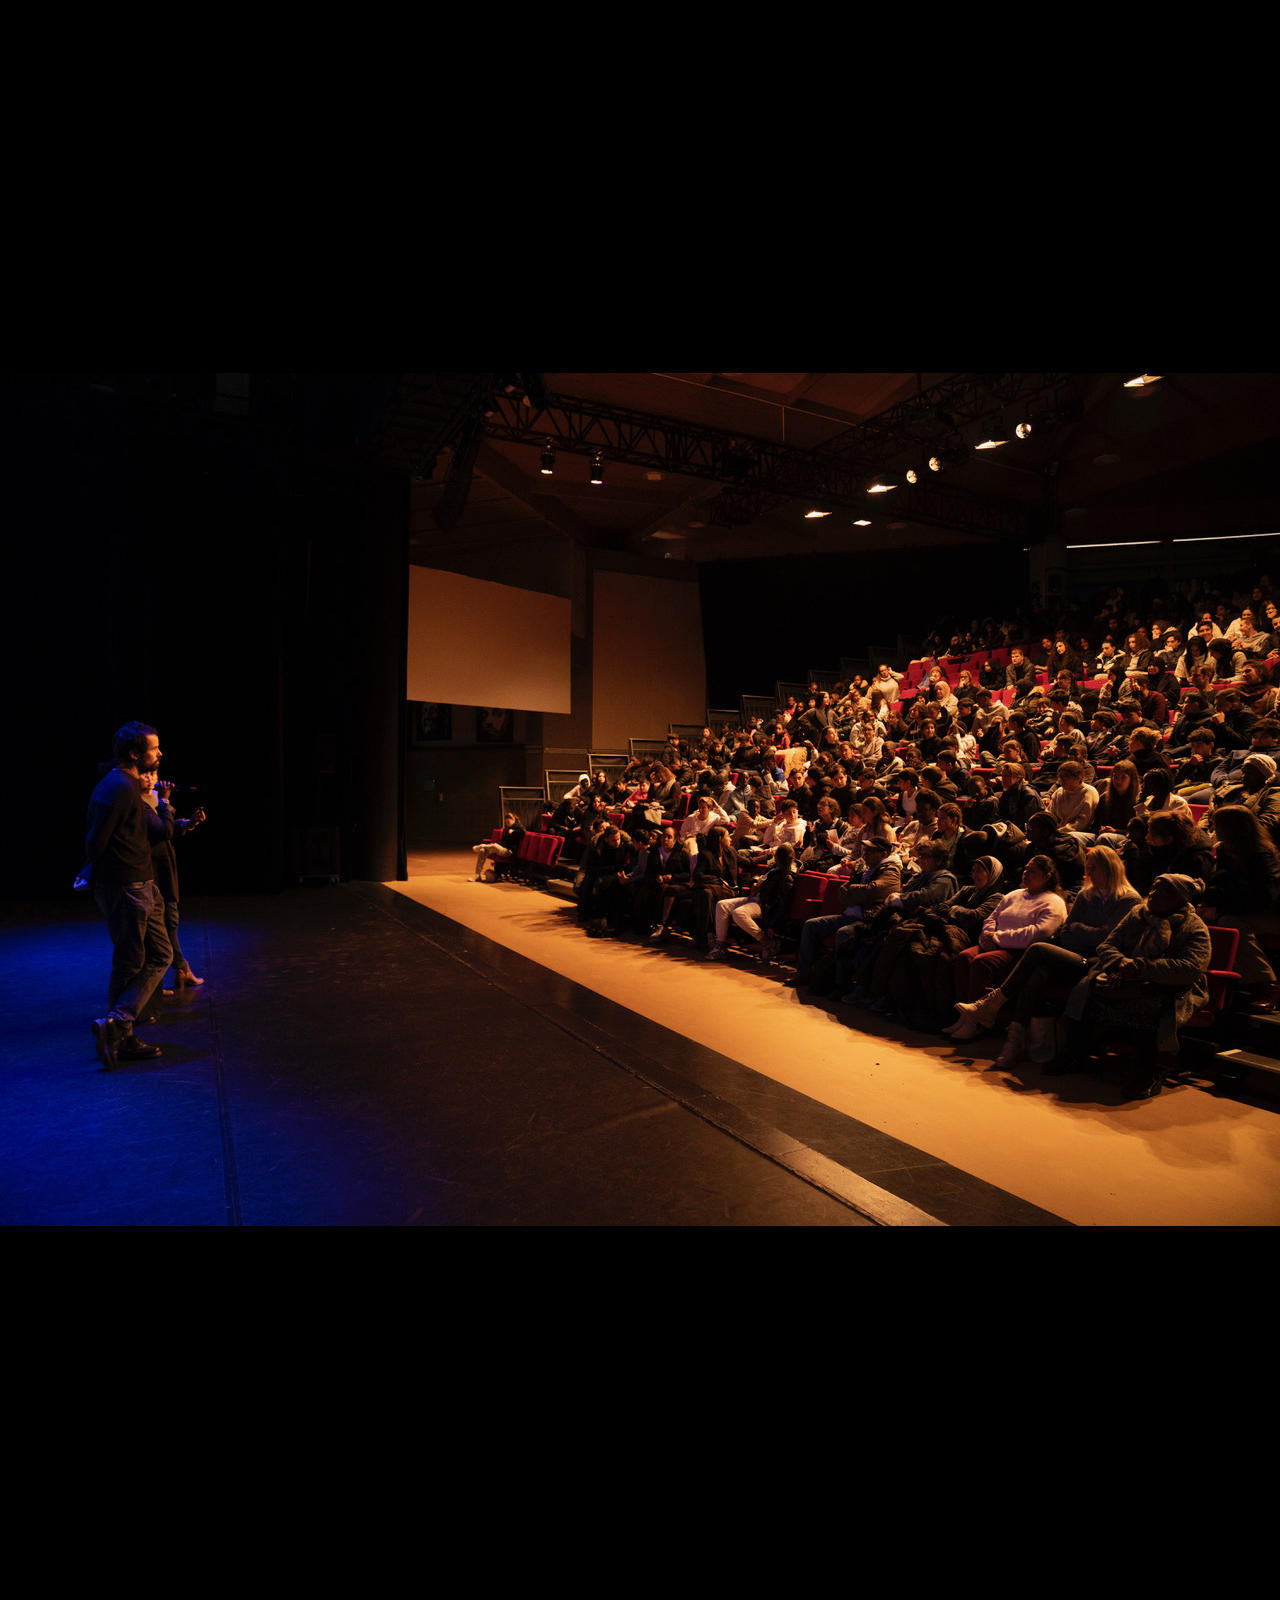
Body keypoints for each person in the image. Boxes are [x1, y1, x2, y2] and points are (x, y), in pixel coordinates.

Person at [1053, 874, 1213, 1098]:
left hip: (1169, 985)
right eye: (1154, 888)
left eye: (1162, 891)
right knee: (1087, 988)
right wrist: (1120, 962)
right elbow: (1107, 945)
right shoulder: (1138, 914)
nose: (1154, 894)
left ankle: (1148, 1073)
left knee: (1149, 1004)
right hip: (1122, 974)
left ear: (1179, 897)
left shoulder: (1192, 927)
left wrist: (1140, 967)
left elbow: (1191, 968)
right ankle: (1076, 1054)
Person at [86, 721, 173, 1070]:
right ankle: (120, 1035)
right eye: (154, 748)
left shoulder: (127, 785)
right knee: (128, 962)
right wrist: (108, 881)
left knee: (161, 954)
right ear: (136, 754)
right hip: (127, 887)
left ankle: (118, 1025)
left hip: (141, 883)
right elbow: (95, 841)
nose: (160, 753)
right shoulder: (118, 788)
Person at [139, 770, 207, 991]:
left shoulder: (153, 798)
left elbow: (167, 827)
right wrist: (165, 799)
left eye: (154, 773)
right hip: (153, 870)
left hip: (165, 867)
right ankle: (180, 969)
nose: (152, 778)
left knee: (171, 922)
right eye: (146, 773)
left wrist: (189, 823)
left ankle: (176, 973)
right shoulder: (136, 802)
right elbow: (160, 829)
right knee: (164, 924)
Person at [472, 812, 526, 881]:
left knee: (495, 846)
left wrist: (513, 832)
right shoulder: (507, 829)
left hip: (510, 851)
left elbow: (523, 831)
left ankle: (483, 845)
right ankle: (477, 875)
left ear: (513, 819)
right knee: (483, 851)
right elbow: (503, 840)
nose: (507, 824)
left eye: (508, 822)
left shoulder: (519, 827)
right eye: (506, 822)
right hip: (503, 848)